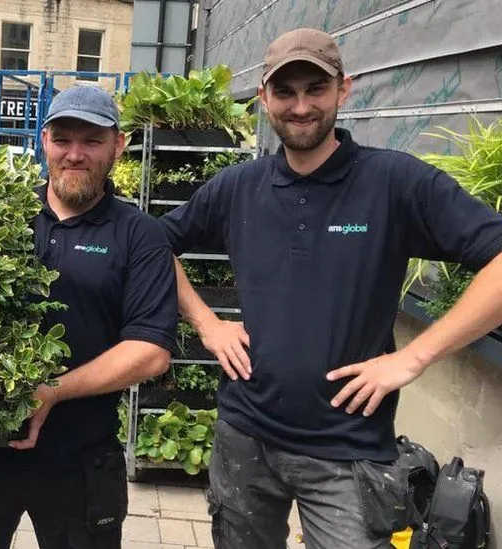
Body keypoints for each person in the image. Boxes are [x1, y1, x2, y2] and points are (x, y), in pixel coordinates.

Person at [159, 27, 502, 549]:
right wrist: (207, 324)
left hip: (347, 453)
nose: (300, 106)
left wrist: (415, 357)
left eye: (315, 89)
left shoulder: (394, 183)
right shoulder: (238, 187)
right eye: (285, 91)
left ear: (344, 90)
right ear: (264, 99)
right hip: (244, 437)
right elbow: (152, 247)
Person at [0, 85, 179, 549]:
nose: (75, 154)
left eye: (92, 141)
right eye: (63, 139)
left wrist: (51, 393)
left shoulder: (139, 235)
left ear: (118, 145)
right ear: (44, 141)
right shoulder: (0, 210)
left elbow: (150, 353)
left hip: (79, 459)